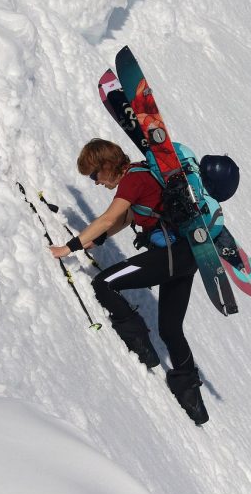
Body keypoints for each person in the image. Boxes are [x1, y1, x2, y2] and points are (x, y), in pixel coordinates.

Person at [49, 138, 208, 424]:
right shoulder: (143, 175)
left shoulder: (133, 180)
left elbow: (109, 218)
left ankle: (142, 350)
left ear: (107, 166)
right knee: (171, 329)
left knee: (104, 283)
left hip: (171, 257)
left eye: (95, 175)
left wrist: (69, 247)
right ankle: (192, 398)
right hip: (188, 256)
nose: (96, 182)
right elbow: (125, 219)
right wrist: (95, 240)